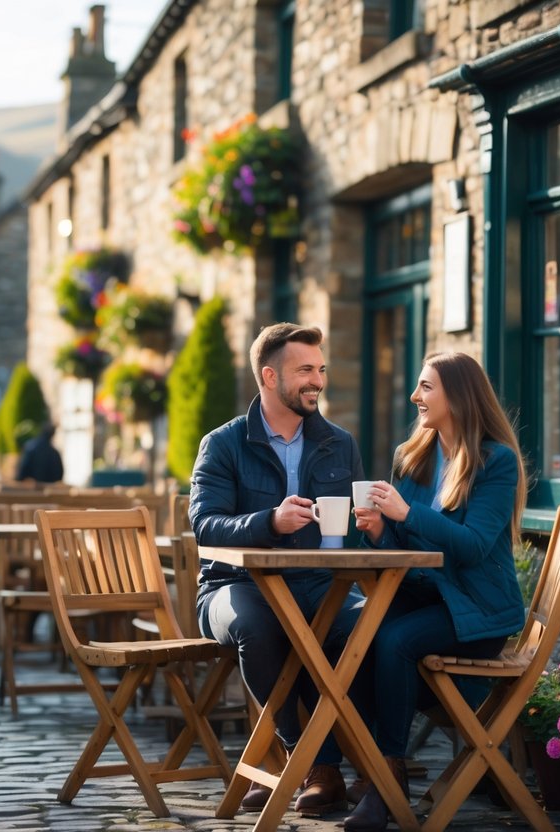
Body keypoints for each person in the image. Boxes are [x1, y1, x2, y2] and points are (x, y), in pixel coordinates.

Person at [343, 351, 528, 832]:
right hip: (426, 596)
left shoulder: (495, 461)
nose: (415, 396)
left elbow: (472, 547)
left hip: (479, 613)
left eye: (426, 387)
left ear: (458, 396)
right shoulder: (415, 456)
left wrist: (406, 514)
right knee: (349, 631)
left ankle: (388, 781)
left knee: (394, 642)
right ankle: (374, 772)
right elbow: (406, 545)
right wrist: (382, 531)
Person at [189, 323, 366, 817]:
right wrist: (268, 521)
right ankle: (313, 763)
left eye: (321, 368)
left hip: (317, 583)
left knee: (366, 629)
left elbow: (351, 526)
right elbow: (205, 525)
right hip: (233, 586)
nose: (317, 379)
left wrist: (371, 523)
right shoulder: (223, 444)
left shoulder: (339, 443)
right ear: (269, 376)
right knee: (262, 628)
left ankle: (371, 767)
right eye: (304, 370)